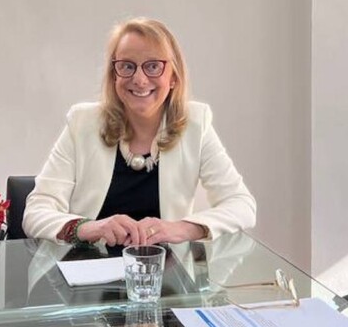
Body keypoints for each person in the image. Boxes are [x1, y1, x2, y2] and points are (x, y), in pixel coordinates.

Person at [23, 17, 256, 247]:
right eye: (127, 66)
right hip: (88, 273)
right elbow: (35, 212)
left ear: (173, 77)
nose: (140, 79)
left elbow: (242, 205)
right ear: (114, 74)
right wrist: (90, 228)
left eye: (153, 66)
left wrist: (178, 229)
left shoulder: (196, 124)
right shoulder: (82, 123)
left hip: (165, 276)